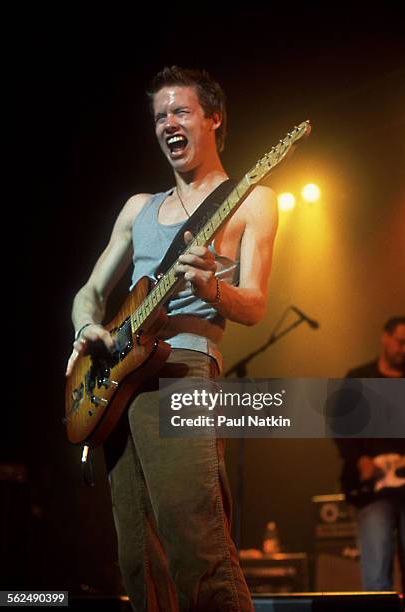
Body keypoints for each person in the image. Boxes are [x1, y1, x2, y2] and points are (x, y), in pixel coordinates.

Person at [65, 66, 278, 611]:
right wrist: (87, 327)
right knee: (138, 560)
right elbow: (89, 291)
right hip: (118, 382)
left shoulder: (253, 200)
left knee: (195, 543)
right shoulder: (138, 207)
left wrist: (213, 290)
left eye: (180, 111)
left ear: (214, 118)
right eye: (160, 116)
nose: (168, 124)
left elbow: (254, 303)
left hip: (184, 367)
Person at [335, 316, 405, 595]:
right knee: (376, 570)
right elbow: (340, 425)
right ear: (385, 337)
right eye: (401, 342)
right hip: (371, 489)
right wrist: (360, 459)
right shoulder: (359, 378)